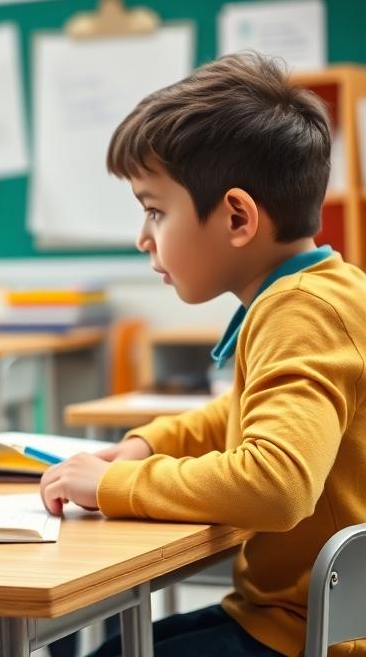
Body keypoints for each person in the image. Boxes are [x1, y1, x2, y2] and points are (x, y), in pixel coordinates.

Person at [39, 54, 366, 657]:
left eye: (155, 210)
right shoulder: (319, 290)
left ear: (237, 216)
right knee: (102, 641)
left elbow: (276, 484)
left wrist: (118, 483)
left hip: (308, 635)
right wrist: (148, 443)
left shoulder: (301, 311)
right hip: (286, 615)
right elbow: (238, 414)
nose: (143, 237)